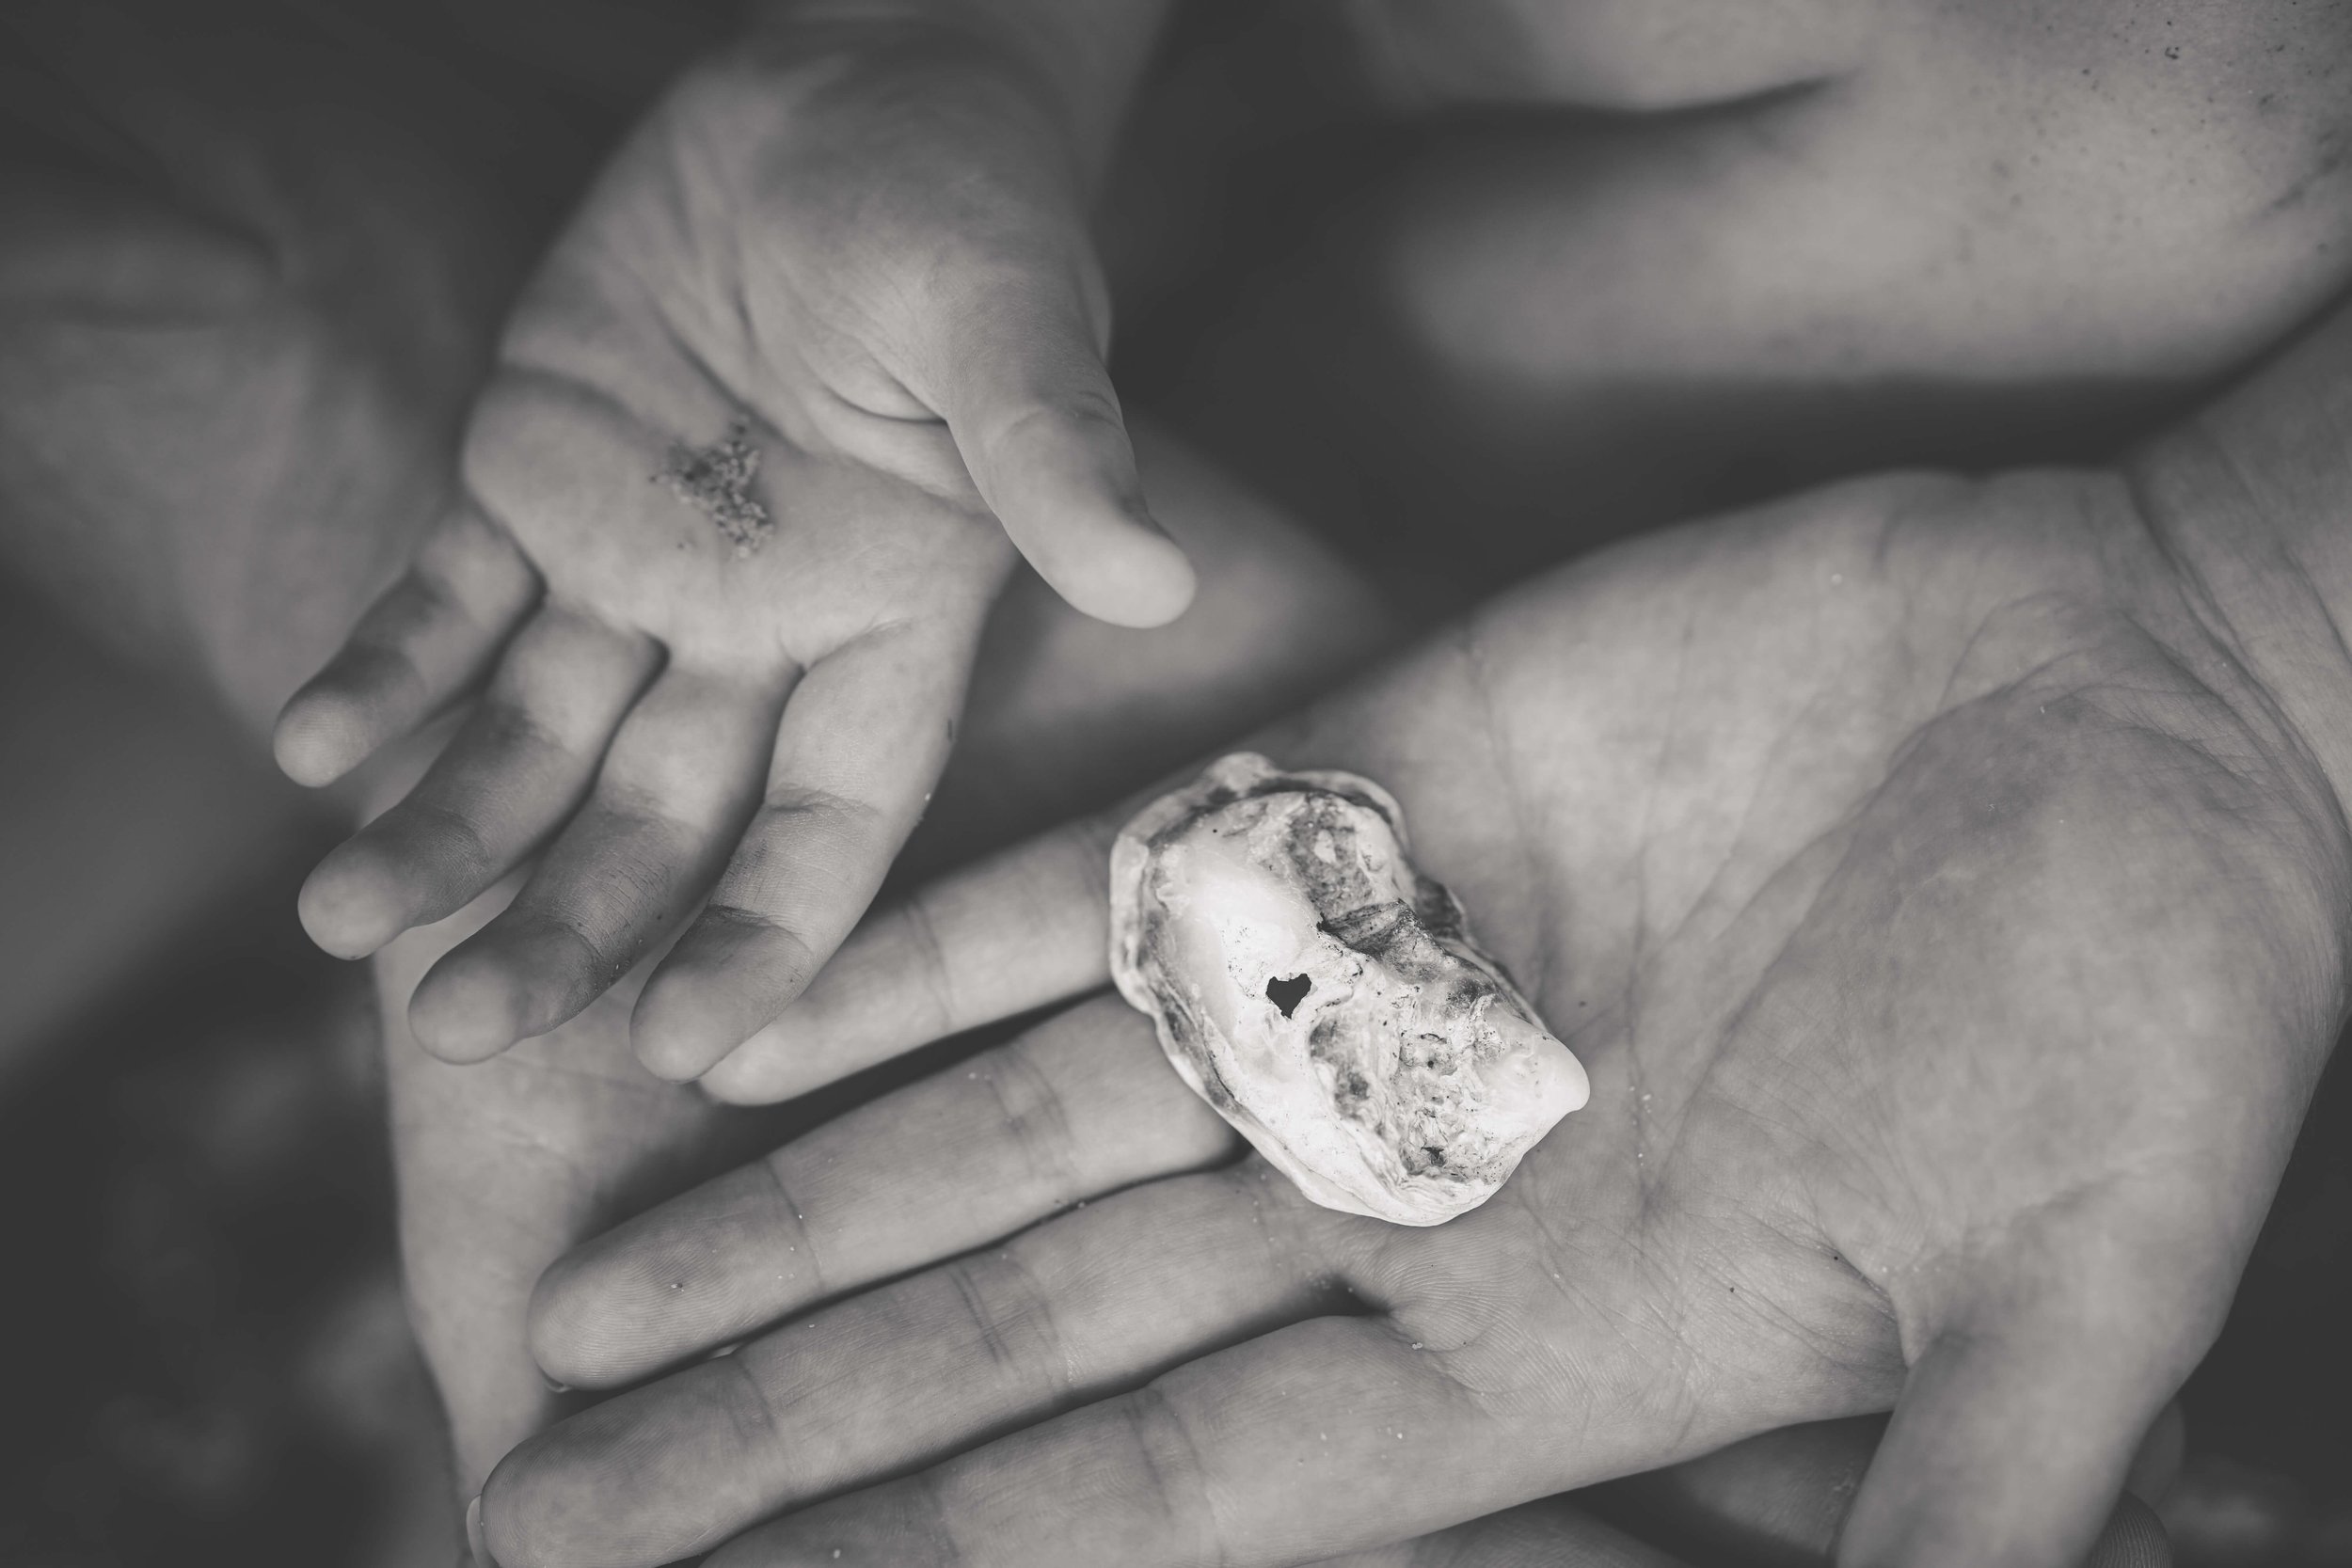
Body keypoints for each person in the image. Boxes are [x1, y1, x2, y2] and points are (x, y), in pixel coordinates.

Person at [2, 0, 2345, 1563]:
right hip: (672, 272)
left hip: (1116, 313)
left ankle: (1290, 386)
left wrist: (2255, 632)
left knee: (2201, 103)